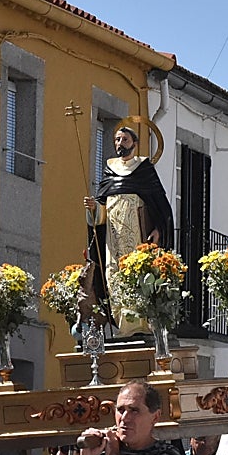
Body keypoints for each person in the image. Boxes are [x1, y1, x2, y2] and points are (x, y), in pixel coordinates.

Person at [83, 125, 174, 334]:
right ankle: (123, 324)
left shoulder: (144, 170)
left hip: (138, 239)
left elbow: (161, 206)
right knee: (114, 276)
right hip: (113, 240)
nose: (119, 144)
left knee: (139, 276)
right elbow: (101, 212)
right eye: (116, 139)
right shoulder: (109, 170)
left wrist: (159, 229)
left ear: (135, 143)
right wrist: (94, 208)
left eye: (124, 140)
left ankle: (142, 324)